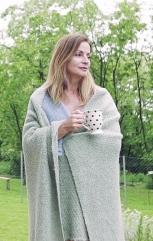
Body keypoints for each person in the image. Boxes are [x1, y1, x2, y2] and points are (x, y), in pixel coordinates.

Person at [22, 33, 125, 241]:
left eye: (88, 55)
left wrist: (76, 145)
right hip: (55, 190)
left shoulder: (100, 98)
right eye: (79, 54)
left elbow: (112, 141)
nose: (86, 60)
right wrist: (61, 128)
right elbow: (29, 141)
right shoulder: (41, 100)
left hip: (90, 192)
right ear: (63, 57)